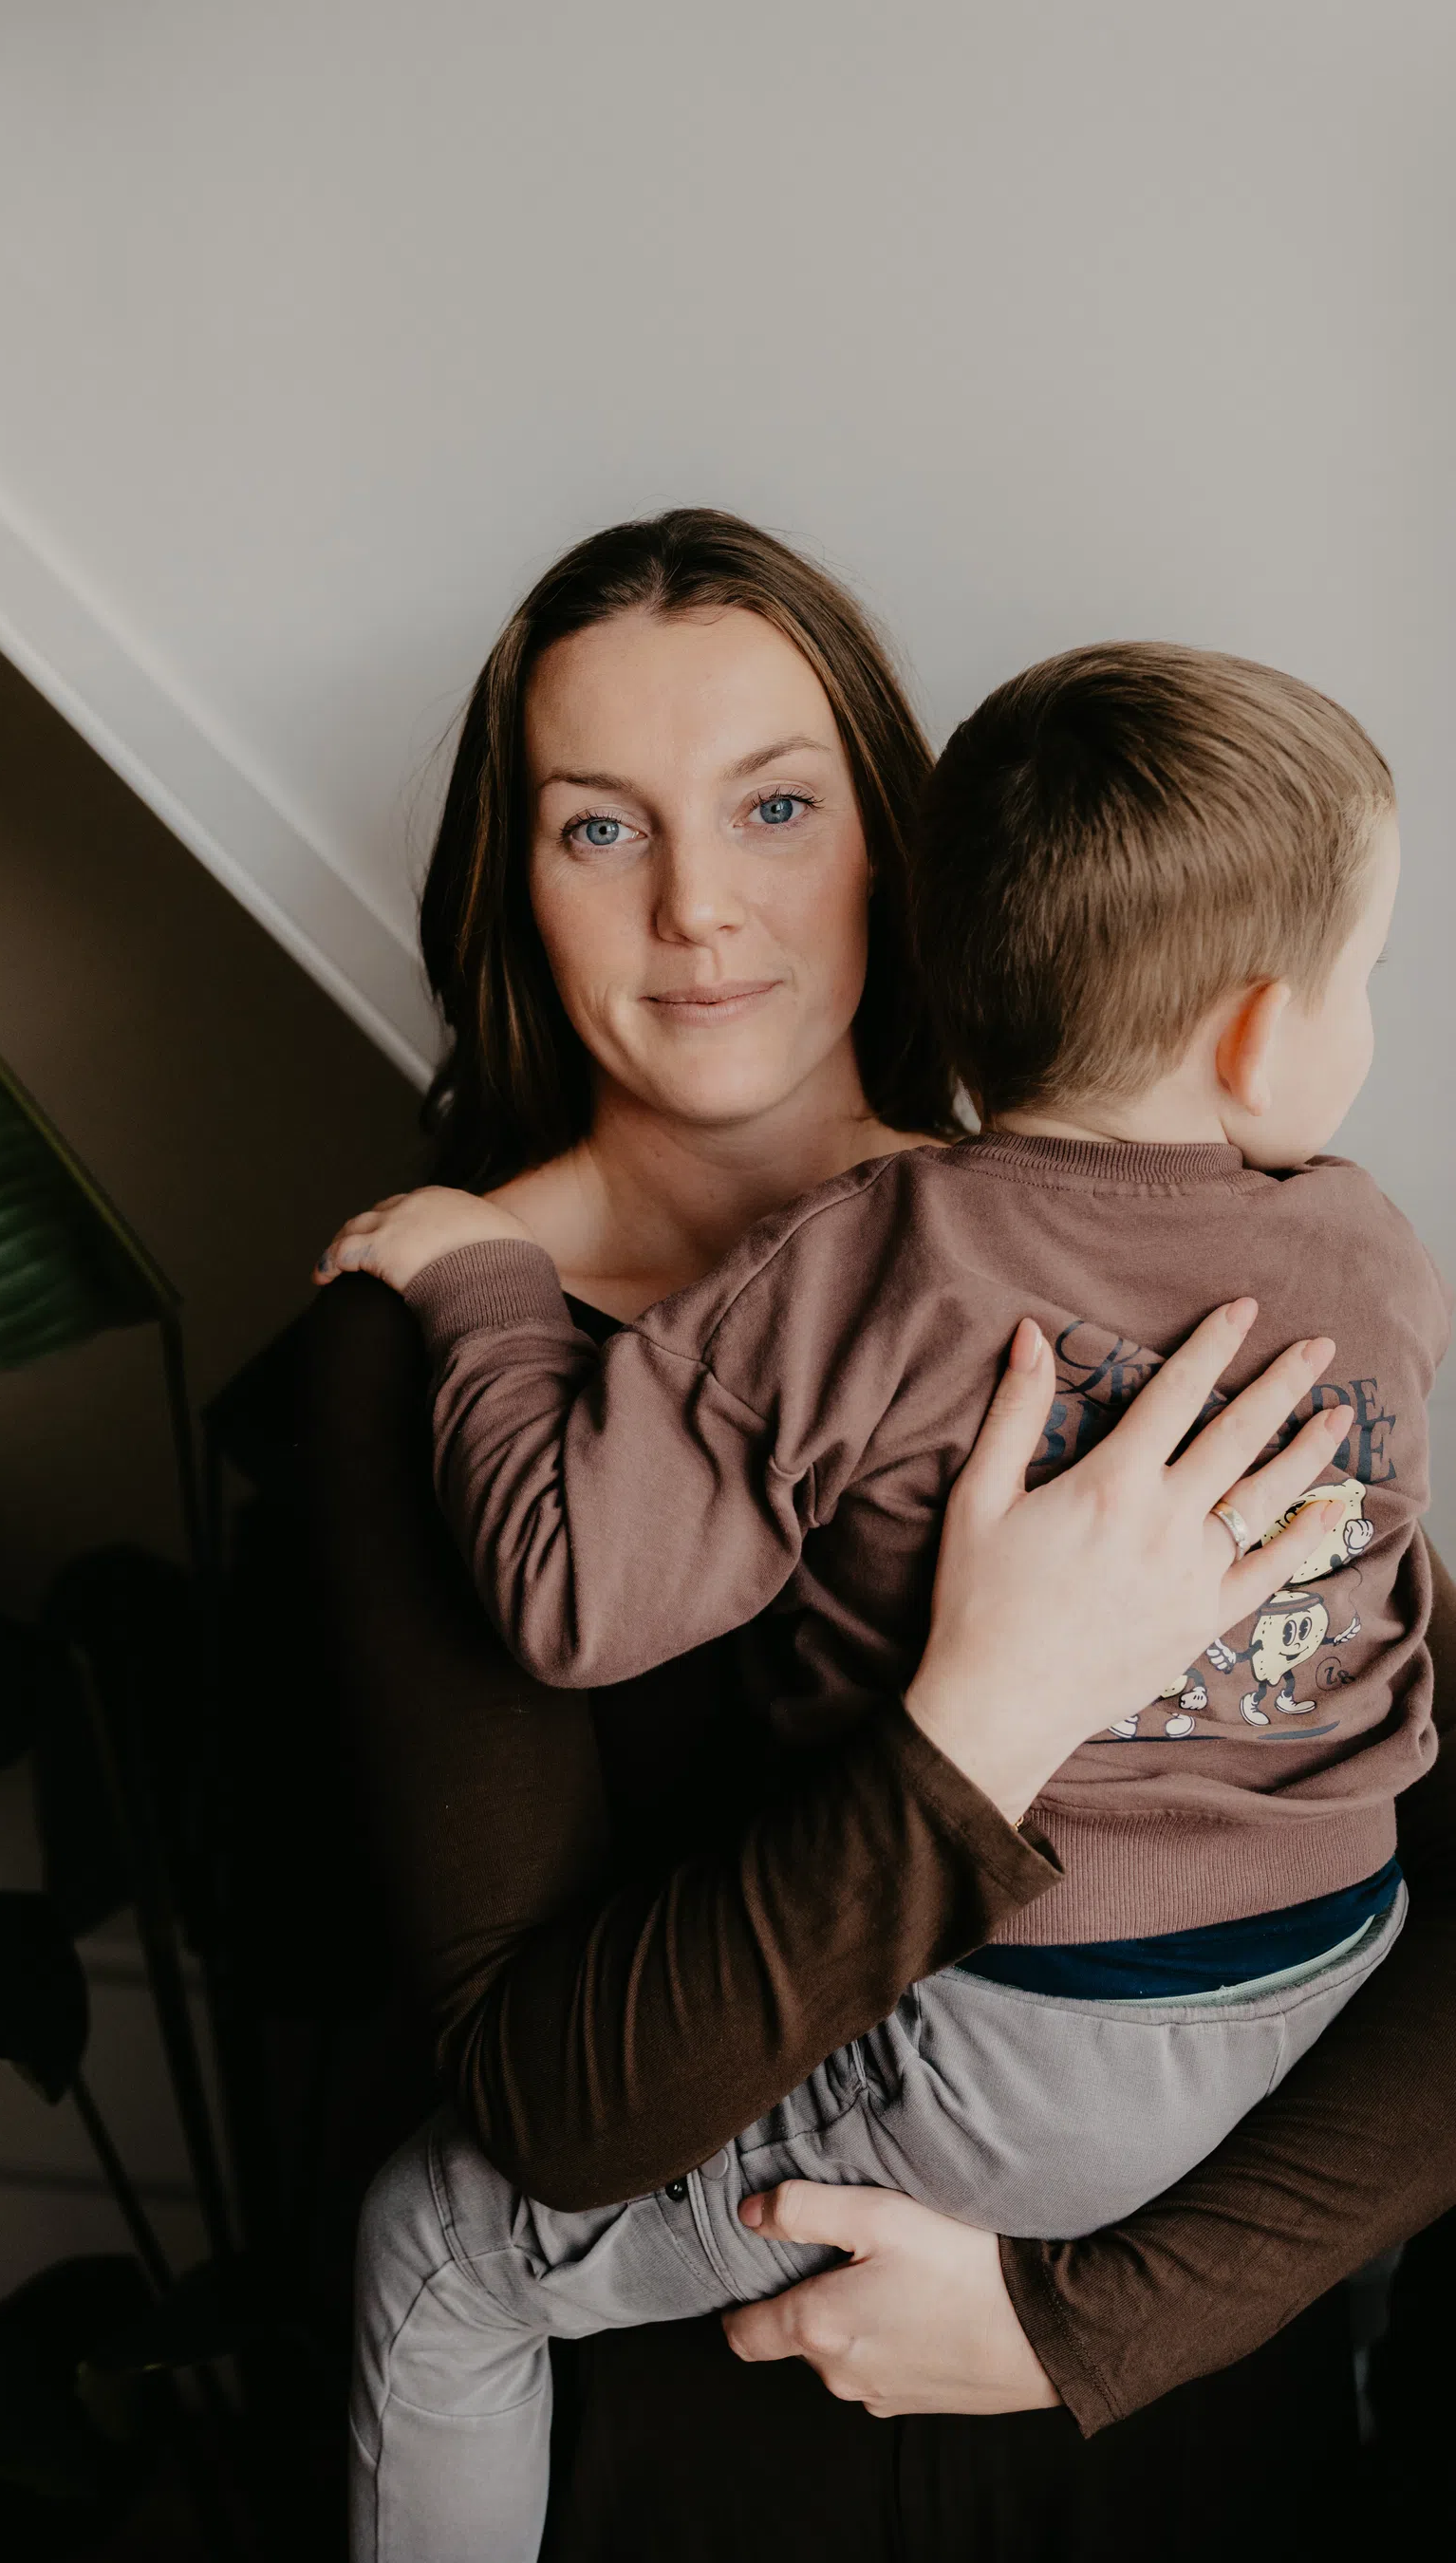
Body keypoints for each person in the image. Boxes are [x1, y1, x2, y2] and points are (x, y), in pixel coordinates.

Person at [301, 510, 1456, 2559]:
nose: (698, 910)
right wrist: (985, 1716)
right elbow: (555, 2117)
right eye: (597, 829)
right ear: (515, 884)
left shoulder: (1162, 1277)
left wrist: (1081, 2325)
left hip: (1175, 2464)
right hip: (728, 2496)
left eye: (775, 803)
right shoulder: (416, 1368)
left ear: (910, 858)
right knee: (448, 2236)